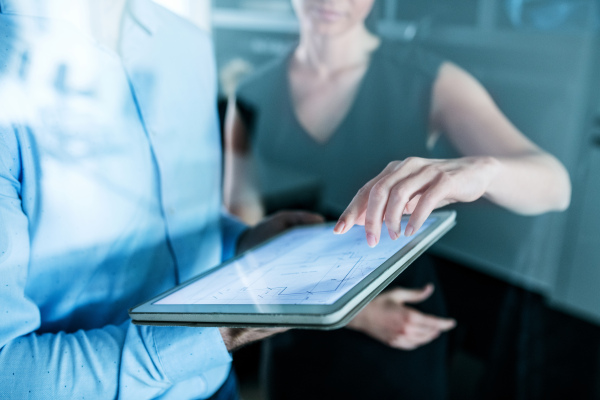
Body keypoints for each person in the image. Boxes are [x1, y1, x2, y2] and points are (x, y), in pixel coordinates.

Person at [224, 0, 571, 398]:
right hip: (296, 333)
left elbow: (556, 186)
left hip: (399, 330)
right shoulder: (249, 95)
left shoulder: (428, 78)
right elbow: (246, 244)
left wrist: (483, 170)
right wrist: (351, 313)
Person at [0, 0, 323, 398]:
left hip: (218, 385)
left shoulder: (184, 42)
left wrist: (242, 242)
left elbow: (177, 219)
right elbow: (7, 376)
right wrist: (221, 330)